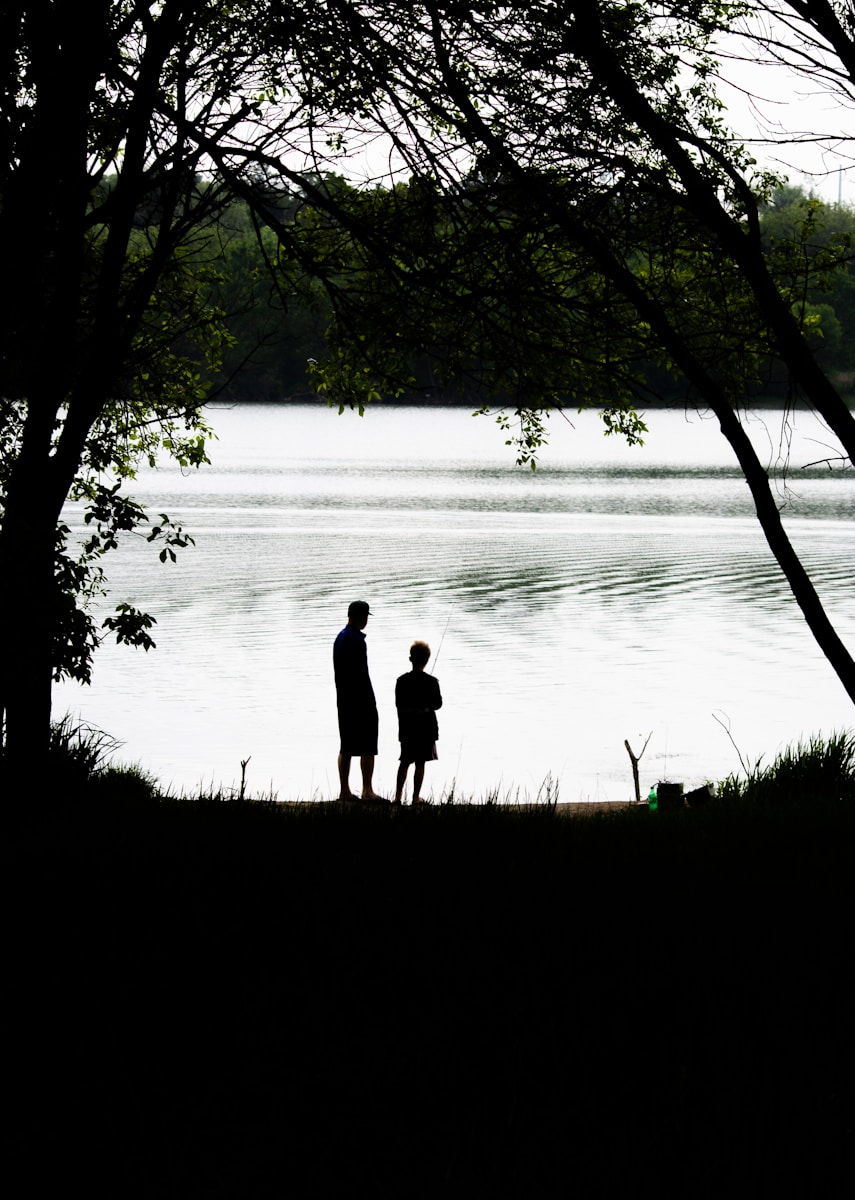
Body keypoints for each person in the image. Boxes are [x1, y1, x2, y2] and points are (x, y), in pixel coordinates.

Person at [333, 600, 386, 803]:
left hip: (344, 700)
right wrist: (369, 702)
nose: (366, 621)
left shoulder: (340, 638)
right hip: (361, 700)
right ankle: (367, 790)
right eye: (365, 617)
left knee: (346, 746)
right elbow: (361, 674)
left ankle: (344, 791)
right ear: (360, 617)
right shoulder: (356, 640)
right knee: (368, 746)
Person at [394, 640, 442, 806]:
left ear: (410, 659)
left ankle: (398, 797)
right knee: (420, 763)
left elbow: (398, 704)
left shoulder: (401, 681)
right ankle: (415, 798)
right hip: (426, 730)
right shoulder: (432, 681)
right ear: (427, 660)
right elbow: (438, 704)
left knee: (405, 762)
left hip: (407, 729)